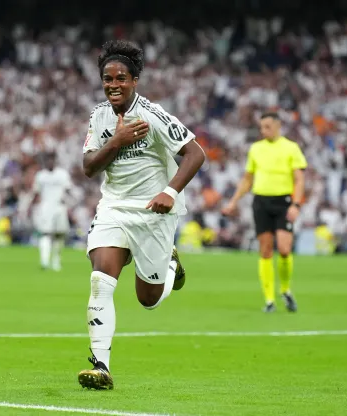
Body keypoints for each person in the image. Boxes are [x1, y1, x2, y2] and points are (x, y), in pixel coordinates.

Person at [76, 40, 206, 390]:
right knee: (101, 280)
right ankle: (100, 366)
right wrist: (115, 141)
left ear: (134, 80)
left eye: (120, 78)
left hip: (153, 212)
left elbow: (195, 154)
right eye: (107, 78)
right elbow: (89, 167)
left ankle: (169, 268)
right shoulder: (99, 116)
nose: (113, 85)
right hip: (114, 208)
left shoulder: (153, 115)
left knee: (147, 299)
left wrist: (170, 191)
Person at [221, 112, 307, 313]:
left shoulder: (291, 148)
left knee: (285, 249)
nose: (263, 130)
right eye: (261, 127)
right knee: (265, 249)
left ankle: (285, 289)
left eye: (267, 126)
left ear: (278, 126)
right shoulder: (256, 149)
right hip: (261, 201)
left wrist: (296, 204)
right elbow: (247, 179)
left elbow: (299, 179)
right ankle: (269, 300)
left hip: (283, 201)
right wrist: (233, 201)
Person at [28, 153, 73, 271]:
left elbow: (68, 190)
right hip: (46, 207)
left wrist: (71, 203)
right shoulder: (41, 176)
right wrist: (29, 206)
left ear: (55, 161)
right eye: (48, 160)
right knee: (45, 233)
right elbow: (36, 192)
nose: (50, 162)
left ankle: (56, 261)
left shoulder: (62, 174)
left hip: (60, 207)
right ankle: (44, 261)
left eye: (52, 160)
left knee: (59, 235)